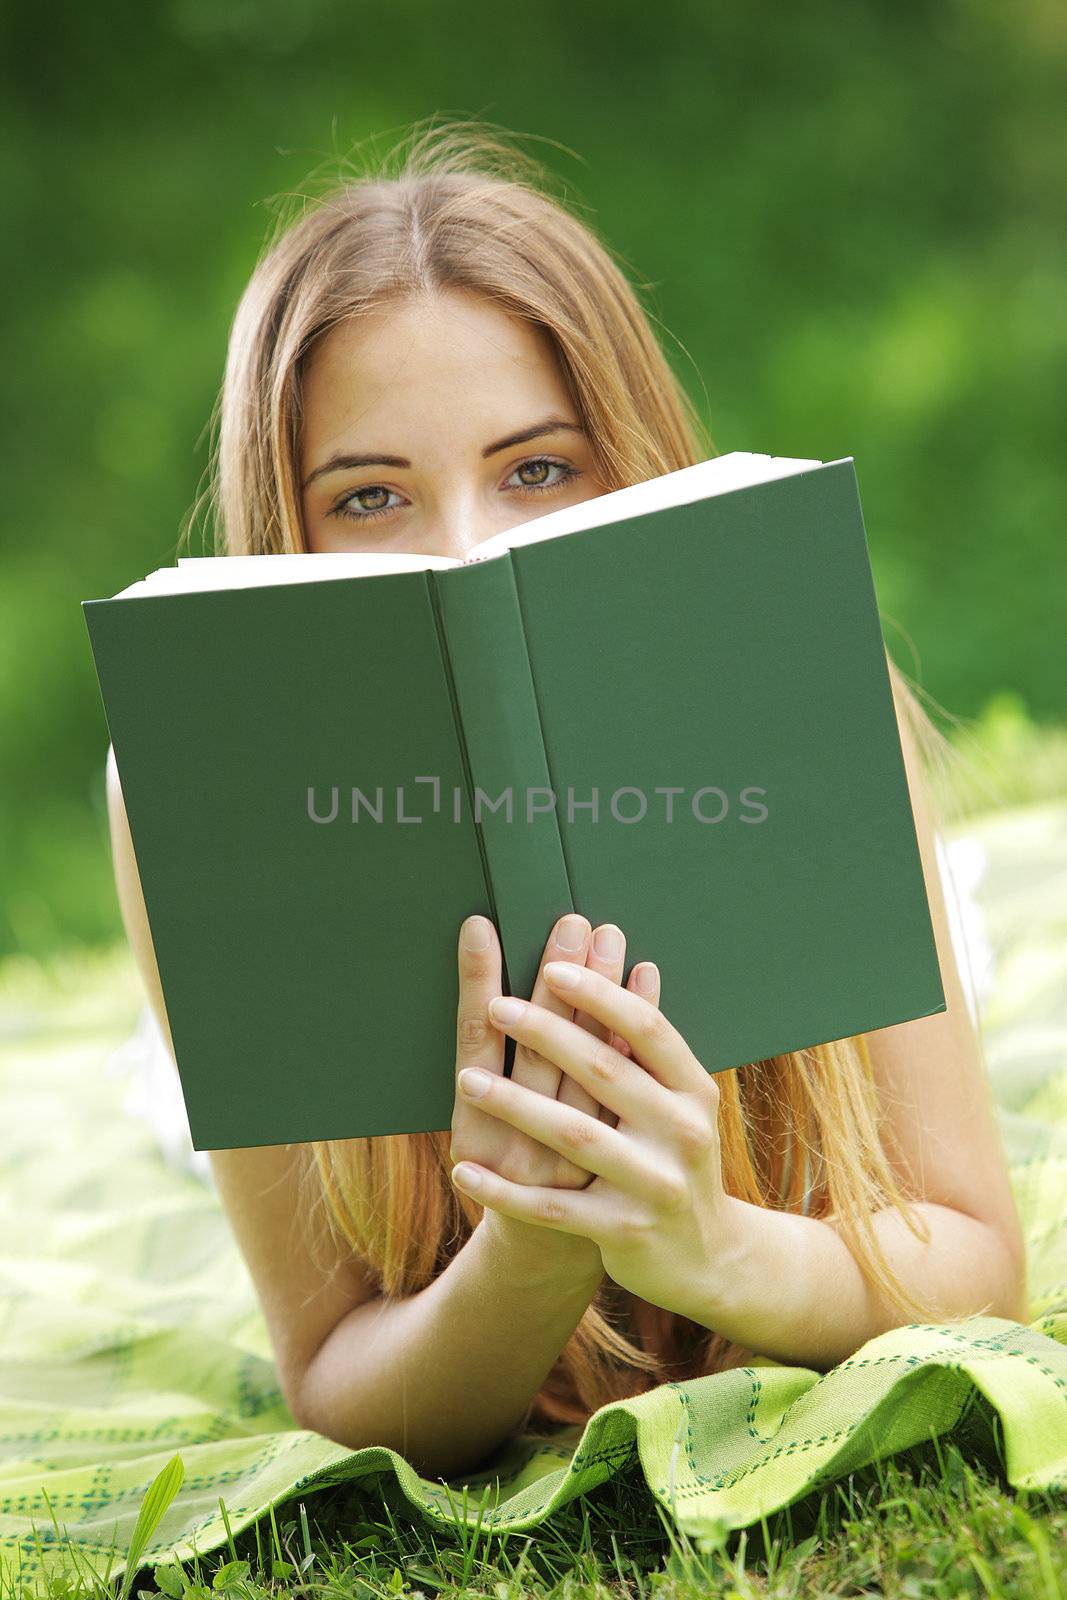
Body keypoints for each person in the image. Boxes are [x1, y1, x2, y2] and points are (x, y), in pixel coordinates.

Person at [102, 121, 1027, 1484]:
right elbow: (336, 1375)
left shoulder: (801, 679)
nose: (469, 555)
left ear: (629, 462)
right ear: (283, 530)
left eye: (538, 469)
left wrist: (710, 1247)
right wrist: (526, 1248)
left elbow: (977, 1259)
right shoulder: (180, 797)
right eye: (368, 497)